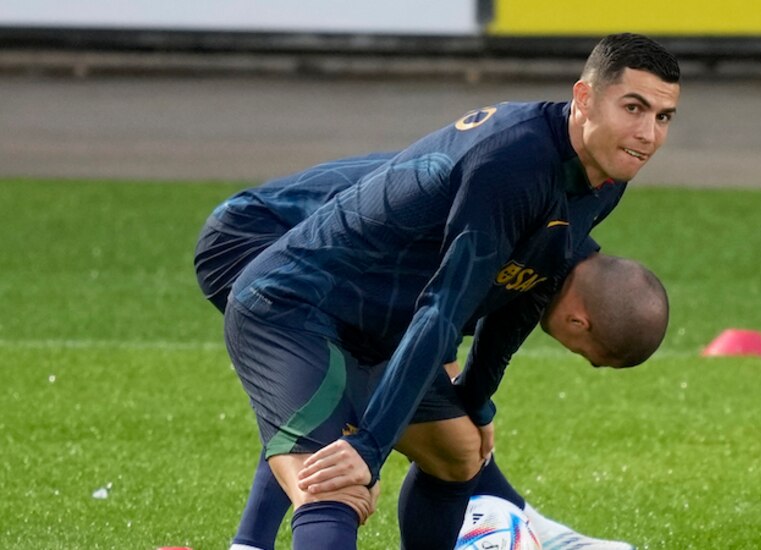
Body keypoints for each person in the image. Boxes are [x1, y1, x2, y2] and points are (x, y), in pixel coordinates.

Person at [221, 32, 679, 549]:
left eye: (663, 117)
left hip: (374, 325)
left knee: (461, 453)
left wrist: (476, 400)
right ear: (585, 98)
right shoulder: (514, 162)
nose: (647, 133)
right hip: (294, 305)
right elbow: (442, 311)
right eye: (634, 108)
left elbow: (527, 287)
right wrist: (370, 448)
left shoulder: (604, 173)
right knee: (336, 487)